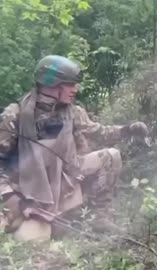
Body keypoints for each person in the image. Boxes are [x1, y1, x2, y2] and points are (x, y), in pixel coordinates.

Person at [0, 55, 149, 241]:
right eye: (70, 84)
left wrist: (128, 130)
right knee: (31, 238)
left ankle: (100, 218)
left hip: (65, 180)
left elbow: (100, 132)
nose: (75, 89)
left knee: (111, 156)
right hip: (28, 193)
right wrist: (15, 200)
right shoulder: (15, 116)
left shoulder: (72, 112)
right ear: (53, 84)